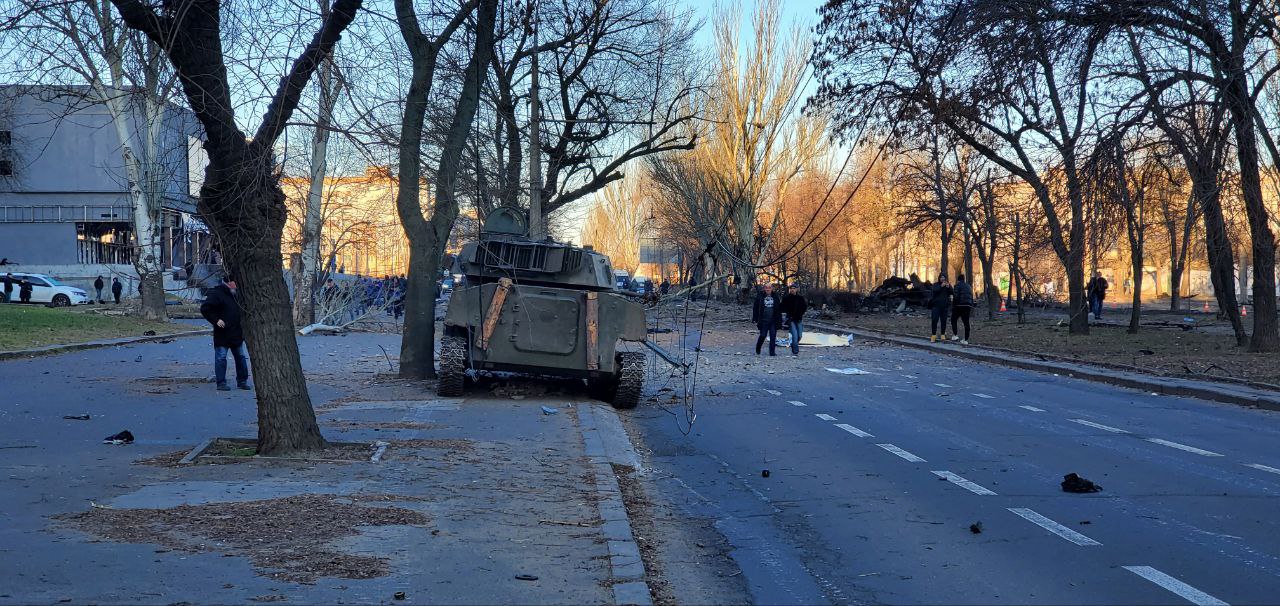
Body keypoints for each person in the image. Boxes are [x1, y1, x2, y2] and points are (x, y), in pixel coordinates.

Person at [200, 275, 250, 391]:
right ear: (228, 283)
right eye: (234, 284)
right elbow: (205, 308)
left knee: (241, 357)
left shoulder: (237, 294)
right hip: (222, 333)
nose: (236, 287)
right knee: (221, 358)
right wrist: (216, 320)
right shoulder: (217, 294)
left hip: (236, 332)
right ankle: (221, 382)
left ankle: (242, 381)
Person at [752, 282, 783, 356]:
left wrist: (780, 320)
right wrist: (755, 318)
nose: (768, 289)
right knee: (763, 335)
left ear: (772, 289)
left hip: (773, 320)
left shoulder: (775, 296)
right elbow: (755, 308)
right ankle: (758, 347)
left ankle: (772, 352)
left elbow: (779, 309)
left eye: (769, 288)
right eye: (766, 288)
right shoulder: (760, 296)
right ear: (764, 289)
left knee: (773, 335)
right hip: (763, 320)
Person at [780, 284, 808, 356]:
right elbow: (782, 307)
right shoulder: (786, 298)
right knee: (794, 335)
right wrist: (786, 316)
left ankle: (793, 344)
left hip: (799, 319)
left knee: (799, 335)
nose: (792, 289)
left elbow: (804, 307)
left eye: (794, 288)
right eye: (791, 288)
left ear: (796, 289)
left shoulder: (800, 298)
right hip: (791, 319)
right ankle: (795, 351)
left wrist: (801, 313)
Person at [950, 274, 973, 345]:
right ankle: (965, 339)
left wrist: (953, 305)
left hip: (959, 305)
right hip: (967, 306)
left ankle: (955, 335)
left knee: (953, 319)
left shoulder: (957, 285)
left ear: (958, 280)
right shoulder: (969, 286)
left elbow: (956, 296)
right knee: (966, 322)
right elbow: (971, 296)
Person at [928, 275, 952, 343]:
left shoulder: (947, 285)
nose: (942, 279)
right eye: (941, 277)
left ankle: (942, 334)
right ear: (939, 278)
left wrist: (949, 287)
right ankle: (933, 335)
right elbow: (934, 291)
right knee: (934, 320)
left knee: (944, 321)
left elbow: (952, 292)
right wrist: (941, 286)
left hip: (944, 306)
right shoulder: (936, 285)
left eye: (944, 278)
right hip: (936, 306)